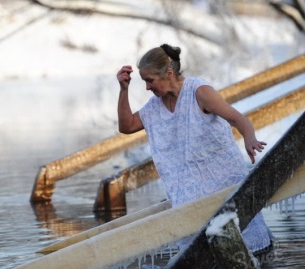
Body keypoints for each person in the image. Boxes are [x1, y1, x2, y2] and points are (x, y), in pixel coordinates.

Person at [116, 43, 272, 253]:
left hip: (225, 192)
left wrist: (249, 138)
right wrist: (123, 90)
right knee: (201, 264)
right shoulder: (154, 107)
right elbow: (127, 126)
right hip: (189, 206)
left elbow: (237, 118)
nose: (147, 87)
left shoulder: (199, 92)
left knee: (244, 255)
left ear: (169, 73)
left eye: (149, 81)